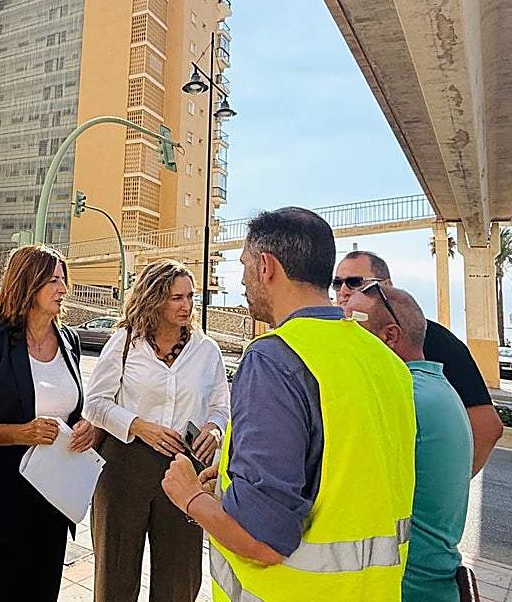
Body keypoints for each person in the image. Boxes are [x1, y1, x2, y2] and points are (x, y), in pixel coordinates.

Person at [163, 207, 416, 601]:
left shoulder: (273, 358)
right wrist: (233, 479)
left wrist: (189, 496)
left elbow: (262, 540)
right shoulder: (385, 360)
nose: (242, 279)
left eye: (245, 264)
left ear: (266, 266)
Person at [0, 244, 100, 601]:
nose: (63, 289)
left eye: (63, 280)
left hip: (52, 505)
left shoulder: (70, 340)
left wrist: (87, 428)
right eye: (53, 280)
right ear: (26, 284)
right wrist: (23, 433)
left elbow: (72, 409)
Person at [84, 259, 231, 602]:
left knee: (180, 577)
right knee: (115, 575)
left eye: (190, 297)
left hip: (184, 469)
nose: (187, 306)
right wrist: (138, 425)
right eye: (176, 297)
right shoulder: (125, 342)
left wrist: (214, 428)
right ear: (153, 298)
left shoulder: (205, 349)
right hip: (124, 465)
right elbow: (95, 404)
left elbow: (222, 406)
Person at [346, 282, 474, 602]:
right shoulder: (436, 388)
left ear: (389, 336)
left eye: (352, 330)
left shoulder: (402, 398)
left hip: (406, 587)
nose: (344, 341)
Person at [333, 250, 504, 474]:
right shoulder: (351, 341)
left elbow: (488, 426)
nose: (343, 291)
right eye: (337, 283)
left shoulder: (435, 341)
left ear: (387, 285)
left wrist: (445, 488)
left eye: (355, 282)